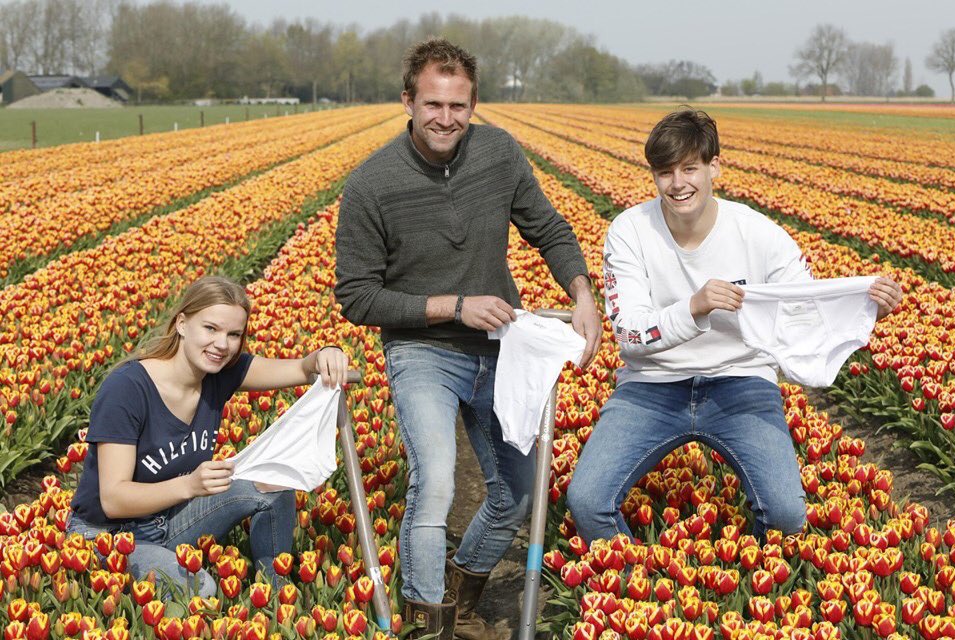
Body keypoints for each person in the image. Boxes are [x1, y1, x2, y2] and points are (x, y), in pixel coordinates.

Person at [334, 38, 601, 639]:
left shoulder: (498, 154)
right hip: (422, 350)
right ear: (408, 101)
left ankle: (461, 591)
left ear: (474, 105)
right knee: (436, 482)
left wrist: (582, 293)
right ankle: (428, 623)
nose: (445, 118)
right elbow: (357, 296)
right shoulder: (372, 183)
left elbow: (549, 228)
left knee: (518, 494)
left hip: (499, 348)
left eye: (458, 106)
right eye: (432, 104)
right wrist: (452, 306)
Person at [566, 108, 902, 546]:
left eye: (690, 168)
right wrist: (694, 308)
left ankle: (747, 572)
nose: (678, 183)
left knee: (786, 514)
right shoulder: (630, 230)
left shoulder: (759, 234)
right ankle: (636, 581)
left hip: (740, 381)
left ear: (715, 167)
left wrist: (866, 310)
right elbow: (628, 334)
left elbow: (804, 310)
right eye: (665, 173)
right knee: (586, 500)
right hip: (651, 386)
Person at [67, 276, 349, 597]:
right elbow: (114, 500)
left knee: (273, 481)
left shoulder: (220, 373)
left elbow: (301, 368)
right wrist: (189, 486)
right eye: (210, 328)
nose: (222, 344)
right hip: (109, 536)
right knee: (201, 589)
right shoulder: (127, 389)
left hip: (167, 520)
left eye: (234, 334)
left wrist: (326, 353)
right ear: (182, 324)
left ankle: (276, 596)